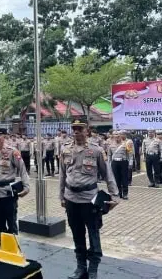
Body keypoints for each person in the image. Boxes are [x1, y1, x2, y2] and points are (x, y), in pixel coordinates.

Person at [60, 119, 119, 279]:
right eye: (74, 129)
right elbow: (63, 175)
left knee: (93, 234)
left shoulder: (97, 150)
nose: (76, 131)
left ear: (87, 130)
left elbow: (108, 174)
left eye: (80, 129)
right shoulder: (65, 149)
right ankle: (81, 267)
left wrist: (114, 195)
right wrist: (61, 196)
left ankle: (93, 269)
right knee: (77, 234)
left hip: (89, 199)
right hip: (71, 198)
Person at [0, 127, 29, 241]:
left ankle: (13, 250)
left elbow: (22, 170)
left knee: (11, 223)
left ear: (4, 137)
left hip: (8, 193)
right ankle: (2, 248)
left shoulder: (12, 152)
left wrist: (26, 187)